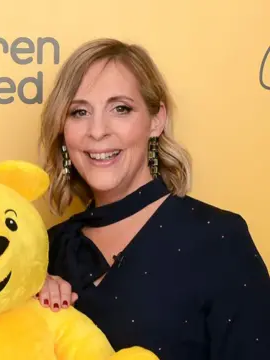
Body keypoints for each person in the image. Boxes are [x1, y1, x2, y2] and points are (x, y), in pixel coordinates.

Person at [36, 38, 270, 359]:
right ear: (63, 130)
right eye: (79, 112)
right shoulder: (43, 252)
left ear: (156, 120)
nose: (98, 130)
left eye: (120, 109)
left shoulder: (219, 237)